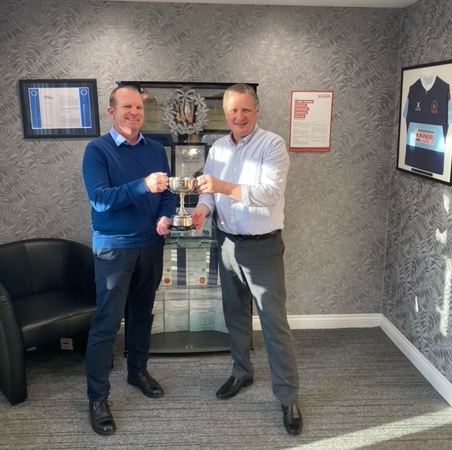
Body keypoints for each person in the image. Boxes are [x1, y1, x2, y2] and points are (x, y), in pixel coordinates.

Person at [191, 84, 302, 436]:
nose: (239, 117)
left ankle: (288, 397)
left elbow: (269, 193)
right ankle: (242, 372)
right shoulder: (218, 148)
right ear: (225, 114)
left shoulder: (272, 145)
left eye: (245, 110)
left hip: (262, 247)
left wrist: (221, 187)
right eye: (232, 111)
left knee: (273, 324)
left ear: (256, 111)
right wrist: (202, 210)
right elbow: (209, 195)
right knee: (235, 315)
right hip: (226, 243)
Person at [82, 85, 176, 436]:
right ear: (111, 112)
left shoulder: (156, 149)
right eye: (126, 107)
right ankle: (97, 397)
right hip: (113, 249)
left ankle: (137, 371)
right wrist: (142, 185)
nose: (134, 112)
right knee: (106, 323)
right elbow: (101, 199)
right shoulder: (97, 150)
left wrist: (164, 217)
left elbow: (167, 193)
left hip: (151, 244)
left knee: (141, 314)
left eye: (138, 107)